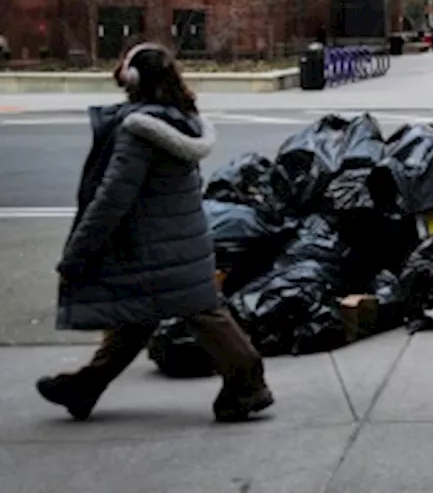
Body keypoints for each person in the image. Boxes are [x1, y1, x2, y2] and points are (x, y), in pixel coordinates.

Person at [37, 43, 273, 424]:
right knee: (139, 315)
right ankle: (86, 386)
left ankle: (249, 384)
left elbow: (112, 198)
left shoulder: (139, 132)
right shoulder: (180, 119)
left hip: (153, 245)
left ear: (132, 79)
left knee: (201, 312)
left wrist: (78, 252)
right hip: (182, 238)